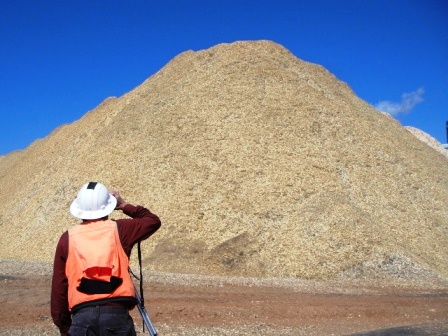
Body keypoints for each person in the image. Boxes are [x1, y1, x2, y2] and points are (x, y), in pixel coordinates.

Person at [51, 181, 161, 336]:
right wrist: (124, 205)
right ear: (109, 206)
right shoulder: (121, 230)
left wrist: (64, 327)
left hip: (82, 319)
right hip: (116, 316)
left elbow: (59, 287)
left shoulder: (67, 238)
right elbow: (152, 221)